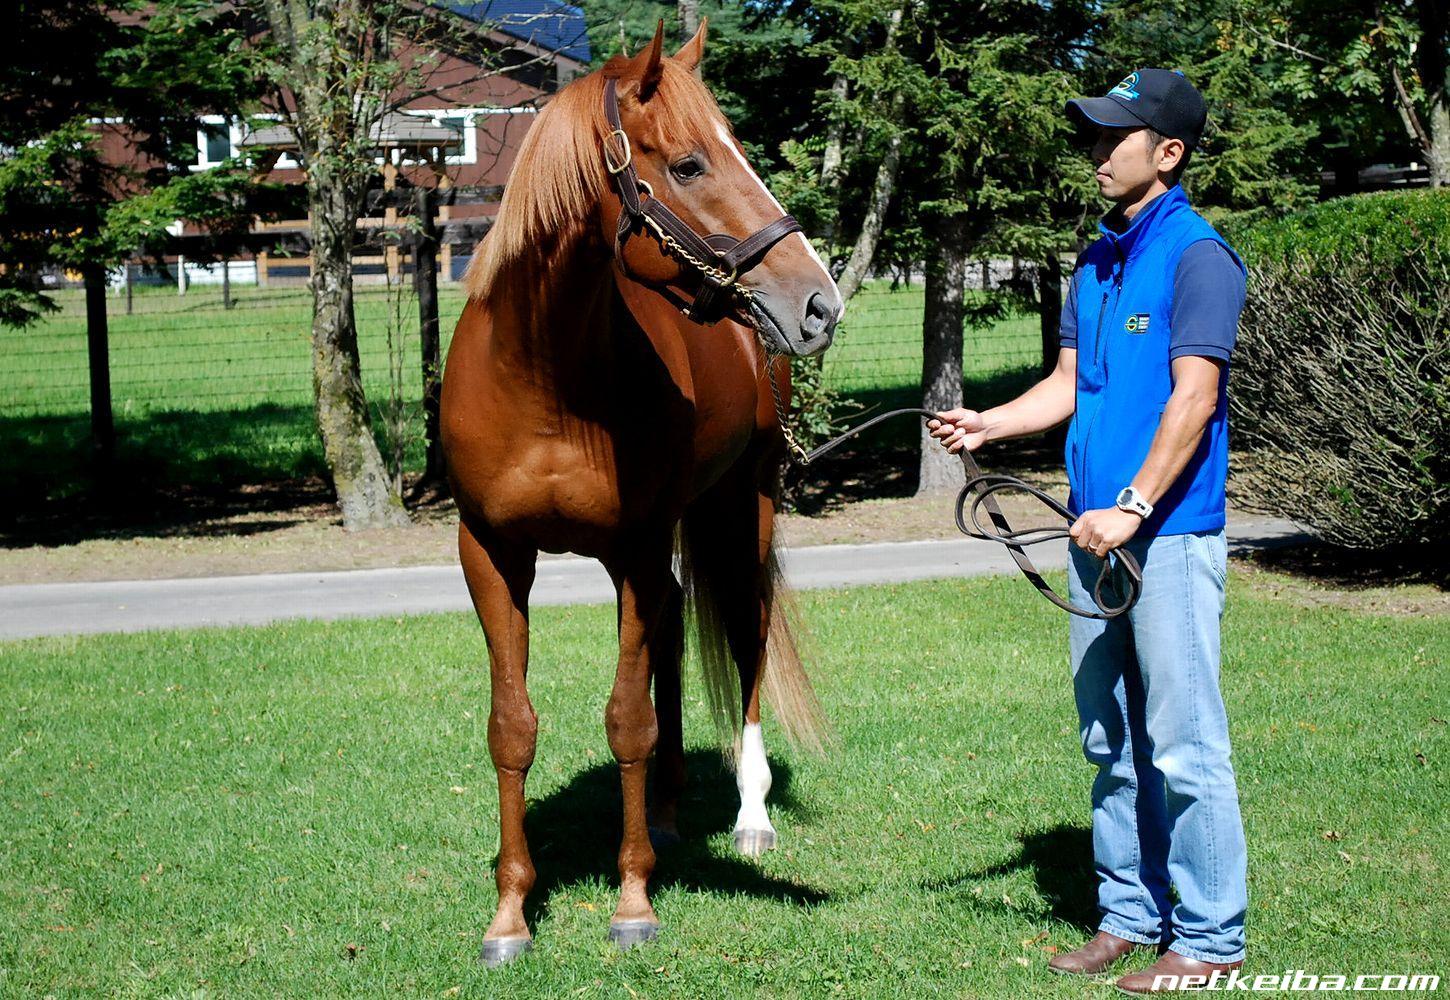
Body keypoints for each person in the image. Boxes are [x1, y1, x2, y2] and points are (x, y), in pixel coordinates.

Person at [929, 68, 1249, 994]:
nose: (1097, 152)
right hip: (1090, 534)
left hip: (1166, 534)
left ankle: (1211, 939)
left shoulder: (1198, 257)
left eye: (1117, 137)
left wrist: (1136, 507)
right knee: (1108, 738)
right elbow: (1073, 385)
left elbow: (1195, 400)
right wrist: (993, 423)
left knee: (1184, 742)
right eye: (1094, 136)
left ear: (1170, 152)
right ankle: (1129, 913)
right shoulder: (1096, 259)